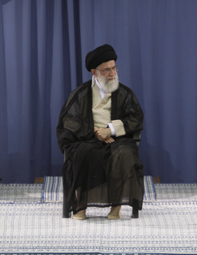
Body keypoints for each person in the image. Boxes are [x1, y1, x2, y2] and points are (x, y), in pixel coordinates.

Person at [57, 44, 144, 220]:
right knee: (84, 153)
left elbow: (136, 118)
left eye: (114, 68)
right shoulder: (80, 94)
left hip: (117, 140)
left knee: (124, 153)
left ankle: (115, 208)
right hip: (87, 139)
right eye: (106, 70)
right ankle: (80, 206)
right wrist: (94, 133)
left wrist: (110, 130)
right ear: (94, 72)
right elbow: (68, 120)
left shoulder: (125, 93)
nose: (112, 73)